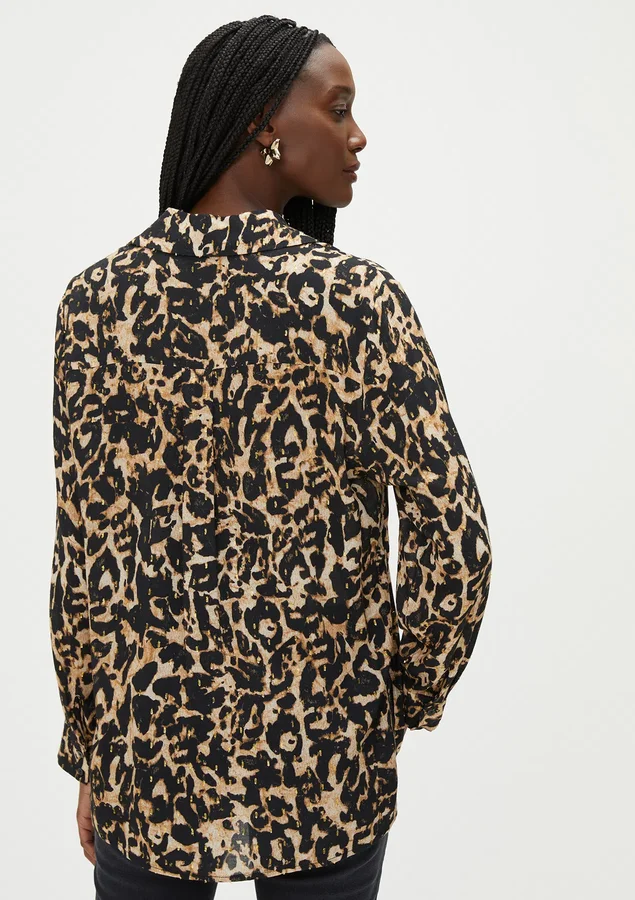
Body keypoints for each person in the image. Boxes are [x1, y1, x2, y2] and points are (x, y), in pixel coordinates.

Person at [49, 15, 493, 899]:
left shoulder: (95, 304)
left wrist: (92, 745)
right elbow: (455, 539)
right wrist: (393, 702)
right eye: (338, 109)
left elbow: (84, 559)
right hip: (324, 768)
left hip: (147, 760)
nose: (357, 136)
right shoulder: (355, 302)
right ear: (263, 124)